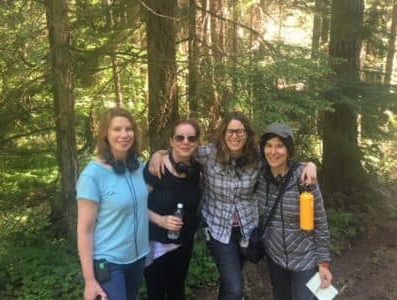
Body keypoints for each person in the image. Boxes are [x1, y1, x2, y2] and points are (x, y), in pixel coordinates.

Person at [149, 111, 317, 300]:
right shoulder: (208, 154)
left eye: (239, 131)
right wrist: (159, 154)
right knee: (235, 287)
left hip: (247, 231)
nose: (234, 136)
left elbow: (281, 159)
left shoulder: (258, 157)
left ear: (247, 134)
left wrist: (309, 165)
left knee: (230, 281)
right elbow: (182, 149)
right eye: (230, 131)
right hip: (219, 230)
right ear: (223, 133)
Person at [76, 107, 149, 300]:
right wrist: (89, 280)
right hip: (108, 262)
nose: (124, 134)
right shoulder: (92, 176)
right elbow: (85, 230)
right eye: (117, 129)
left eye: (129, 129)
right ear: (105, 135)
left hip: (138, 257)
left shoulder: (138, 167)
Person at [257, 122, 332, 300]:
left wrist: (323, 263)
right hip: (275, 256)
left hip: (305, 257)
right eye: (268, 145)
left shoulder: (304, 177)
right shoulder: (260, 176)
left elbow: (320, 221)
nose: (273, 151)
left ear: (289, 149)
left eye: (279, 146)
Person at [143, 119, 201, 300]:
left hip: (183, 243)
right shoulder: (156, 168)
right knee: (156, 293)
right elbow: (136, 206)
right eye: (180, 137)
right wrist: (160, 220)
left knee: (177, 289)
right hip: (156, 244)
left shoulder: (198, 171)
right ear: (171, 141)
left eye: (191, 138)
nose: (185, 142)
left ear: (197, 143)